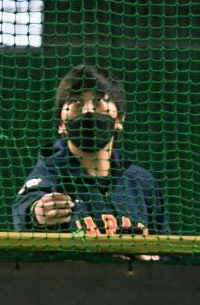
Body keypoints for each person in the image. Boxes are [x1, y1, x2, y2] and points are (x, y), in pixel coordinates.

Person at [12, 64, 168, 236]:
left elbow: (167, 251)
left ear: (119, 120)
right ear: (61, 124)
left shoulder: (141, 182)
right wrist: (37, 214)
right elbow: (27, 207)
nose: (88, 110)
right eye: (76, 102)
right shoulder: (49, 176)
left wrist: (151, 259)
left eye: (99, 100)